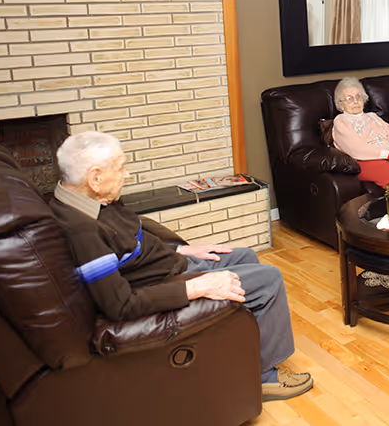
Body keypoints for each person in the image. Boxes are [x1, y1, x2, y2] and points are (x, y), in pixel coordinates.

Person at [47, 131, 313, 402]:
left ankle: (237, 351)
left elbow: (133, 238)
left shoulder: (90, 199)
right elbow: (120, 305)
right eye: (121, 168)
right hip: (162, 282)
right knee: (269, 279)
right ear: (95, 177)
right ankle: (264, 378)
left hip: (167, 263)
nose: (126, 175)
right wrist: (196, 287)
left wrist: (182, 249)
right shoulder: (82, 231)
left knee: (244, 255)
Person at [331, 77, 389, 187]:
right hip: (365, 160)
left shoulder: (373, 117)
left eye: (358, 97)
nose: (356, 101)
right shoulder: (341, 121)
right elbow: (354, 148)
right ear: (341, 104)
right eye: (349, 98)